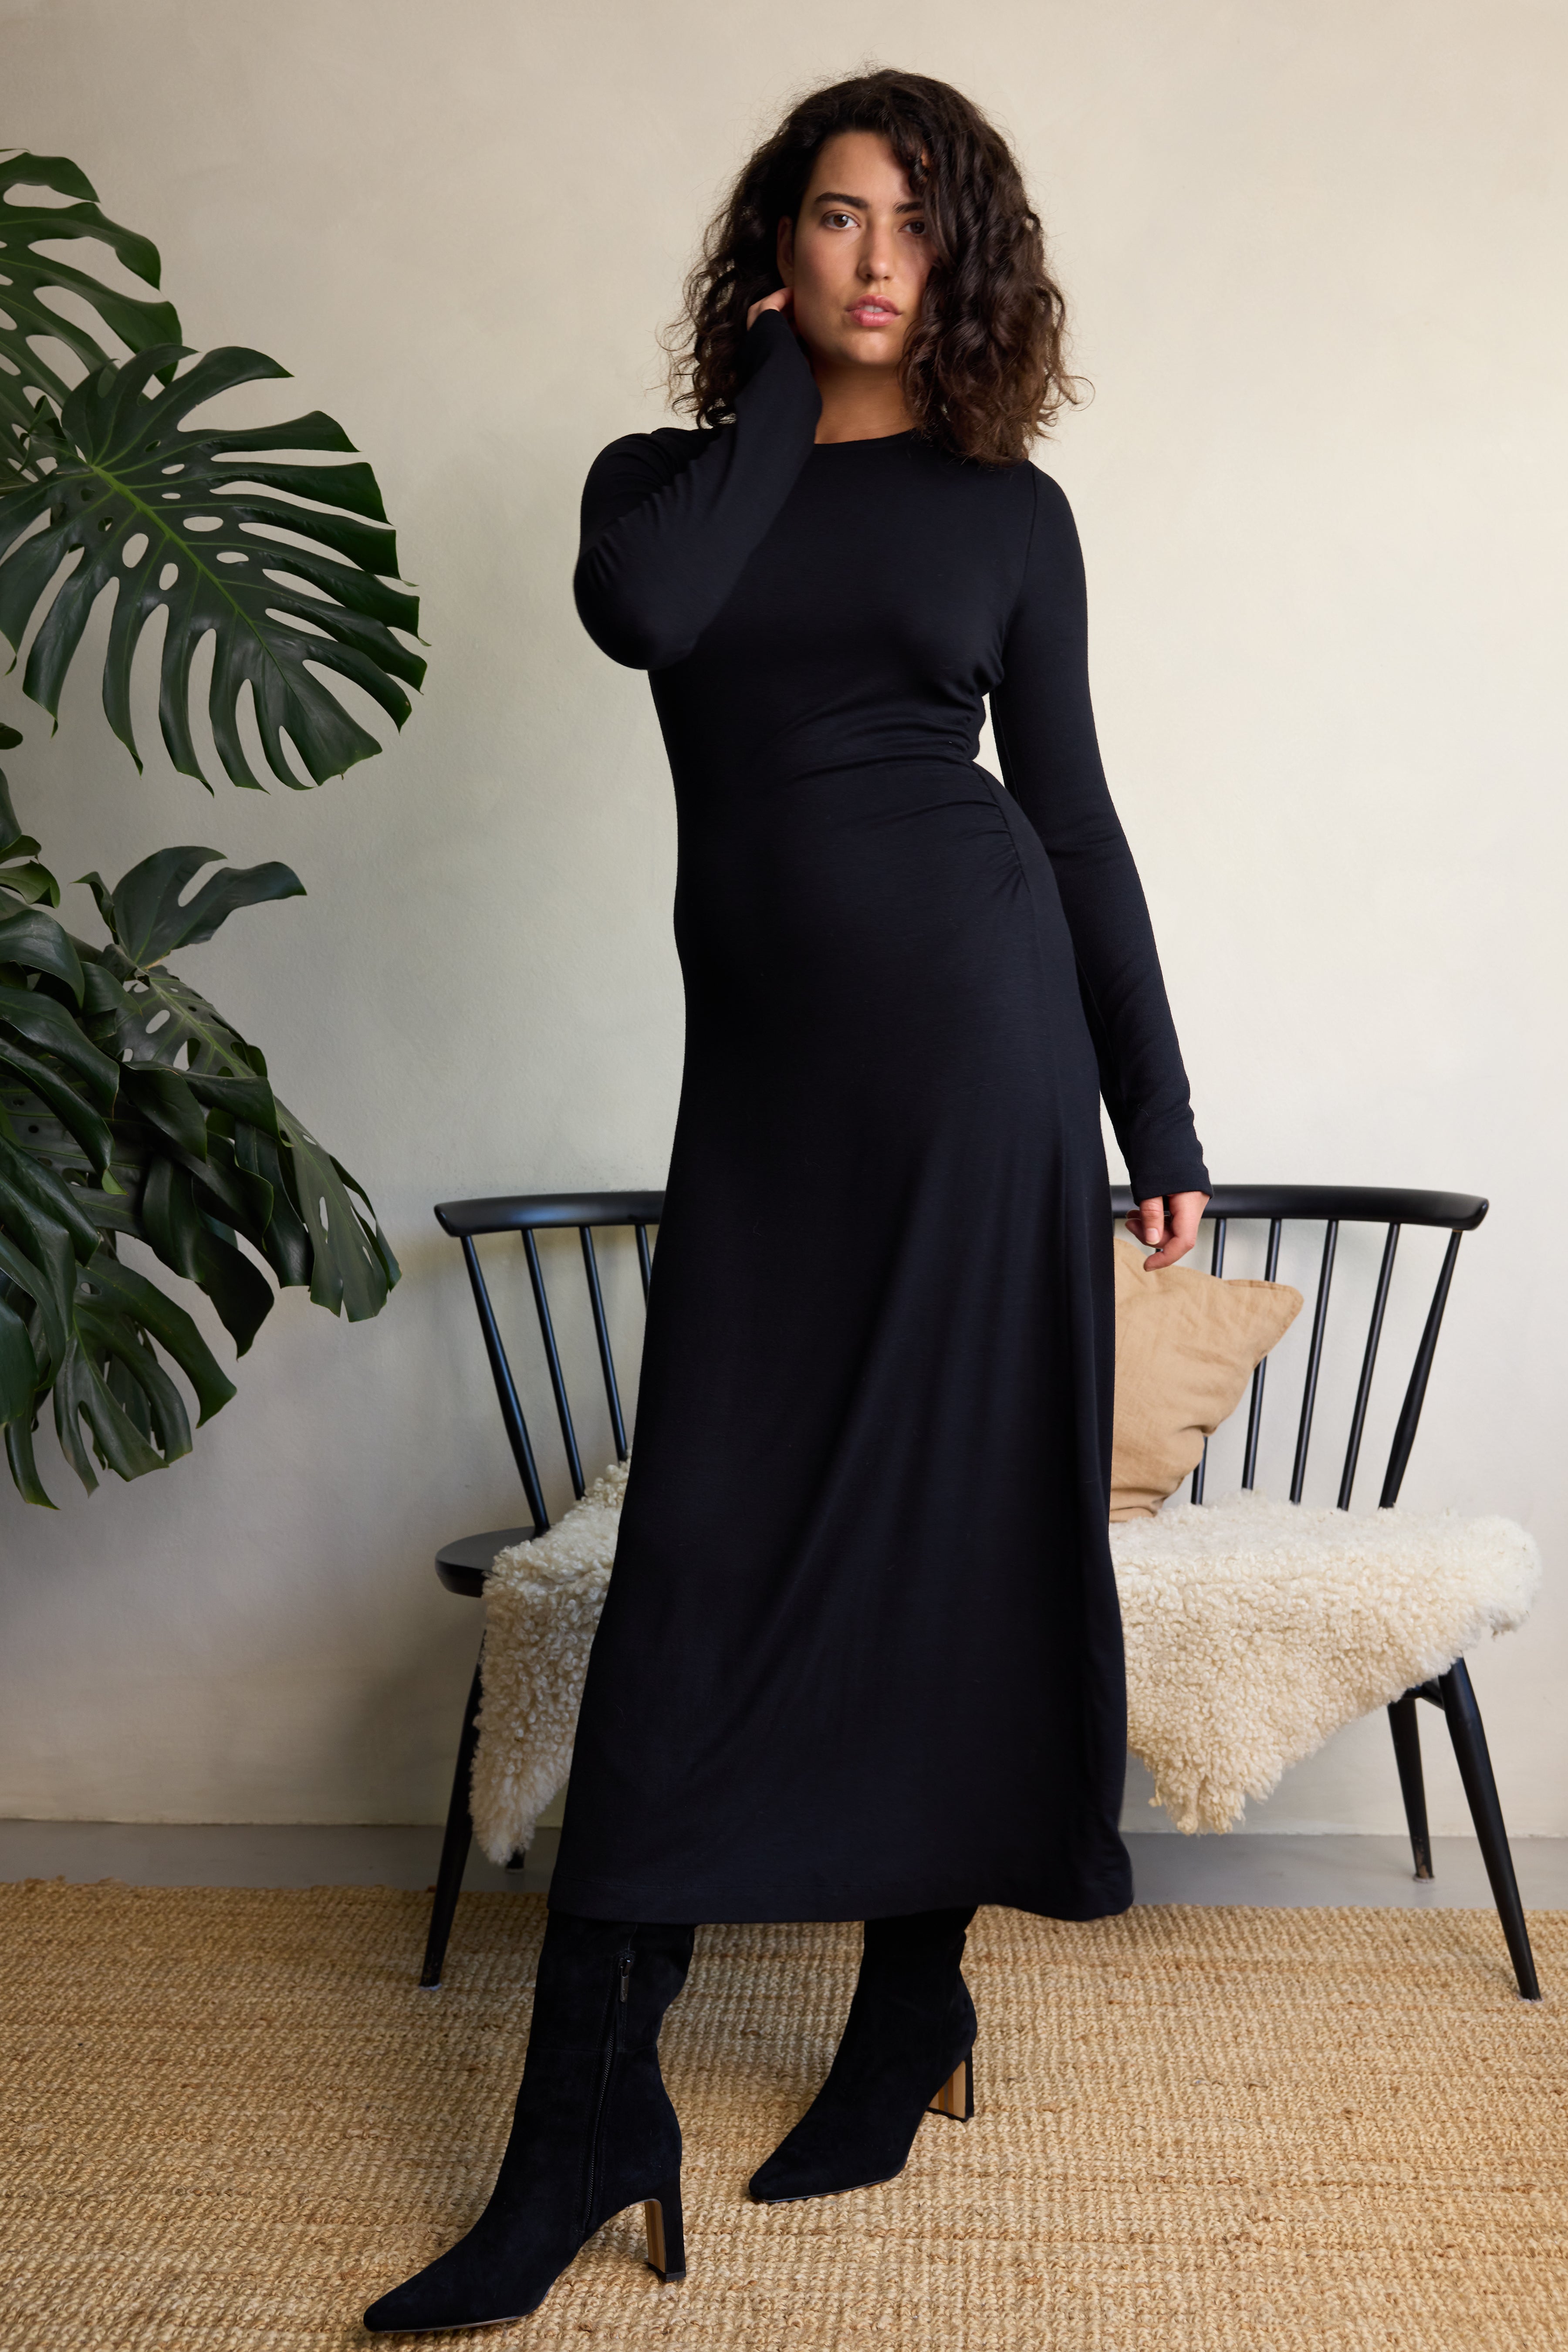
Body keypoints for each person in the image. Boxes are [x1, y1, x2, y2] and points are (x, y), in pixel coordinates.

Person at [365, 66, 1208, 2335]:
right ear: (779, 245)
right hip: (770, 1111)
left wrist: (1165, 1122)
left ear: (967, 266)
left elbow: (1081, 826)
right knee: (699, 1569)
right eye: (838, 218)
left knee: (954, 1543)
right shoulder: (672, 485)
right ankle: (586, 2126)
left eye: (915, 229)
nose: (873, 260)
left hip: (987, 1081)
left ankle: (904, 2010)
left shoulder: (1007, 518)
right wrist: (764, 389)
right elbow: (648, 615)